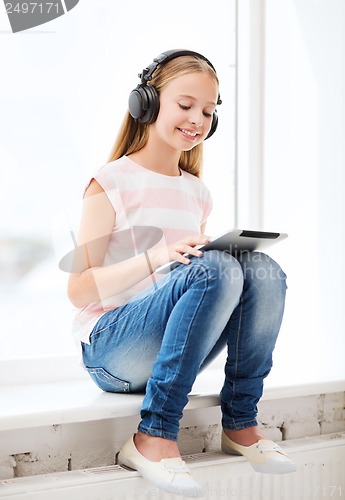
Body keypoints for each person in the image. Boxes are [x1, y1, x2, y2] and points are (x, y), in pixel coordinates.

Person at [67, 49, 296, 497]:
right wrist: (159, 258)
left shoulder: (197, 193)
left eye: (208, 112)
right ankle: (152, 435)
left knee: (261, 267)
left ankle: (241, 423)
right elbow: (79, 290)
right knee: (213, 268)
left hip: (164, 351)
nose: (198, 119)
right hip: (111, 352)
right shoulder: (109, 182)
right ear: (147, 104)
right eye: (186, 105)